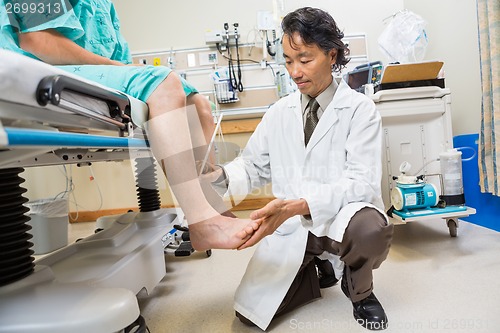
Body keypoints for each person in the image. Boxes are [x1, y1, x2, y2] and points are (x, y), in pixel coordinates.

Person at [0, 0, 260, 250]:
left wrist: (126, 68)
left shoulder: (101, 4)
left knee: (200, 105)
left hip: (89, 71)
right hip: (41, 68)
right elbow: (37, 41)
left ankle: (211, 206)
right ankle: (201, 221)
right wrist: (123, 69)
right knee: (163, 83)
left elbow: (119, 57)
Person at [213, 7, 394, 331]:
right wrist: (222, 180)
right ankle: (317, 266)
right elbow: (253, 164)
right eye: (287, 60)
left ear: (331, 54)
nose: (295, 71)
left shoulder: (359, 110)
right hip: (293, 226)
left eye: (305, 59)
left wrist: (301, 204)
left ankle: (360, 291)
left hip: (343, 217)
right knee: (250, 316)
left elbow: (362, 181)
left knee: (370, 230)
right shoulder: (278, 113)